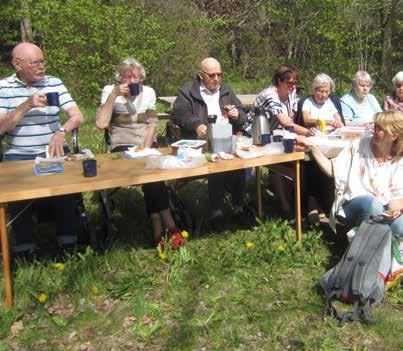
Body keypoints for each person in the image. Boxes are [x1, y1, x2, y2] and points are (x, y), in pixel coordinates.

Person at [0, 42, 84, 257]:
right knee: (17, 196)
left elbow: (77, 116)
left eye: (43, 61)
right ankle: (24, 248)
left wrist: (61, 131)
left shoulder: (53, 82)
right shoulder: (4, 88)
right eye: (35, 63)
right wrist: (26, 105)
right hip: (18, 153)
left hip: (52, 151)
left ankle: (68, 244)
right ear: (17, 64)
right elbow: (2, 128)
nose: (42, 67)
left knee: (65, 189)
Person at [95, 57, 183, 247]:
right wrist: (114, 95)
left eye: (136, 77)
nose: (132, 81)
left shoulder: (149, 92)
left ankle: (158, 226)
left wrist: (146, 147)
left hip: (146, 144)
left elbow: (152, 124)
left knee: (151, 169)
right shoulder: (110, 91)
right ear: (120, 78)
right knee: (151, 172)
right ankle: (170, 225)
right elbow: (101, 123)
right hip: (122, 145)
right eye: (127, 77)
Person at [173, 57, 252, 226]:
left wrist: (236, 115)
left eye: (219, 75)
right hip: (199, 143)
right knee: (215, 160)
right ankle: (217, 212)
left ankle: (240, 207)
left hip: (225, 139)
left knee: (240, 161)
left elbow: (242, 114)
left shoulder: (225, 90)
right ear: (201, 74)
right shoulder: (188, 90)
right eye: (212, 75)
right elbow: (180, 114)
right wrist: (197, 125)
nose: (216, 79)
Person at [298, 110, 403, 236]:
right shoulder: (359, 145)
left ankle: (379, 246)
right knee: (373, 206)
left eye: (380, 129)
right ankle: (362, 248)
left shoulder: (399, 159)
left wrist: (396, 211)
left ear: (394, 135)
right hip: (353, 204)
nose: (374, 131)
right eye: (375, 126)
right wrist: (313, 147)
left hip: (384, 207)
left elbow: (396, 197)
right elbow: (332, 170)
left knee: (400, 225)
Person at [246, 64, 317, 136]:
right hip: (253, 134)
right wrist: (307, 132)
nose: (293, 86)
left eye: (295, 83)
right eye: (289, 83)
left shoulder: (291, 92)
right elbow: (284, 122)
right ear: (279, 81)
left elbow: (290, 119)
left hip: (272, 133)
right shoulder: (270, 95)